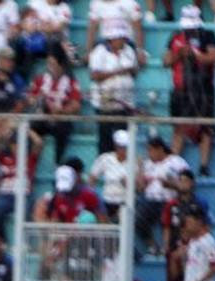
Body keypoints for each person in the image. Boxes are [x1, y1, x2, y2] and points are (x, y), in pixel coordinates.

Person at [164, 6, 215, 175]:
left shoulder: (208, 36)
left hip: (203, 89)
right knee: (179, 127)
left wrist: (196, 55)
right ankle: (173, 164)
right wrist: (179, 54)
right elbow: (166, 61)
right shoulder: (175, 36)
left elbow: (213, 57)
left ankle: (203, 165)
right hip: (181, 90)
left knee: (206, 128)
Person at [89, 22, 140, 155]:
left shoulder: (128, 50)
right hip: (106, 103)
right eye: (120, 38)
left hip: (125, 104)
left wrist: (130, 70)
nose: (123, 40)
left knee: (124, 139)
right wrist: (118, 72)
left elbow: (134, 71)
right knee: (106, 141)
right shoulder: (99, 52)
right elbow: (95, 75)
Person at [136, 136, 189, 258]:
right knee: (137, 219)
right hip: (150, 200)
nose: (149, 154)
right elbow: (140, 189)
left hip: (170, 200)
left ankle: (169, 249)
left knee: (172, 218)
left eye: (151, 150)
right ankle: (152, 246)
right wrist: (140, 169)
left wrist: (171, 184)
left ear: (160, 149)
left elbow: (187, 184)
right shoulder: (147, 164)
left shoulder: (176, 161)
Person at [27, 49, 81, 163]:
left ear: (61, 65)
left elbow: (76, 105)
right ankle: (27, 166)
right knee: (30, 127)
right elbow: (30, 98)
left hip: (60, 118)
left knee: (63, 128)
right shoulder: (40, 80)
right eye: (49, 64)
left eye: (53, 64)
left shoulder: (71, 82)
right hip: (43, 117)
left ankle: (58, 163)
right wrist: (38, 100)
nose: (50, 66)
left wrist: (62, 110)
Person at [175, 205, 215, 281]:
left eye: (189, 222)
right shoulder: (192, 241)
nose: (186, 225)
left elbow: (214, 267)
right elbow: (190, 268)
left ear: (199, 222)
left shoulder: (208, 241)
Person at [88, 130, 131, 219]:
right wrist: (93, 194)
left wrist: (128, 184)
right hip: (106, 200)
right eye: (121, 147)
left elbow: (138, 188)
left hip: (124, 201)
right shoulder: (105, 158)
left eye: (125, 147)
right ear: (116, 146)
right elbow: (92, 177)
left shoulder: (133, 161)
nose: (123, 150)